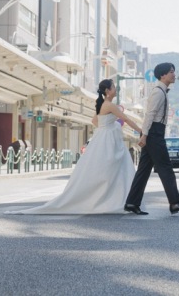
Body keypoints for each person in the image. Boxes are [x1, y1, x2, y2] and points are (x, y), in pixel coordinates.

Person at [8, 78, 142, 215]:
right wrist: (141, 132)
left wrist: (106, 127)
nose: (116, 89)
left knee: (105, 170)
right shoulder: (110, 105)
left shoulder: (102, 104)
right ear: (107, 91)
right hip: (109, 140)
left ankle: (110, 200)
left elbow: (94, 121)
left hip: (102, 138)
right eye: (114, 87)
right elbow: (125, 119)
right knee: (115, 169)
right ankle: (118, 200)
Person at [125, 63, 179, 215]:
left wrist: (145, 135)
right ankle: (175, 202)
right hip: (154, 133)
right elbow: (149, 114)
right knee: (165, 167)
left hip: (155, 132)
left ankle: (132, 203)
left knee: (143, 170)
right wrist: (144, 135)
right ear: (163, 75)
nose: (174, 75)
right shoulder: (158, 92)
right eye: (171, 72)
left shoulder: (161, 91)